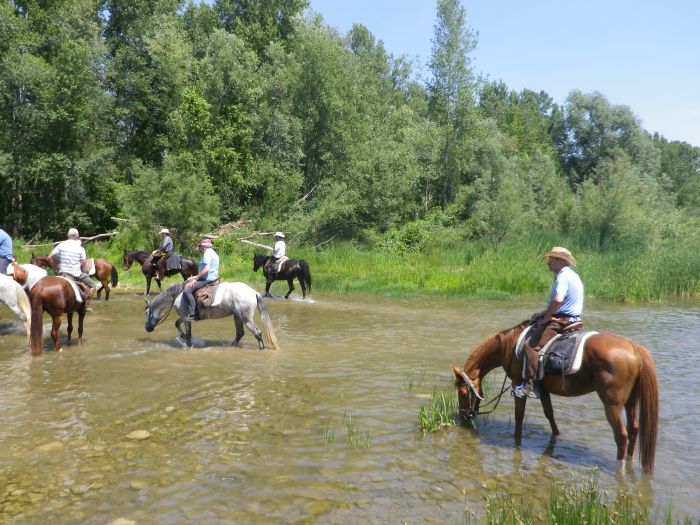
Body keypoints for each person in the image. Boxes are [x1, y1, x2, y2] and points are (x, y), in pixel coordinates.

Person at [513, 246, 584, 400]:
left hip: (561, 321)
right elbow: (565, 302)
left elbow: (558, 299)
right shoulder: (573, 275)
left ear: (559, 260)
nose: (548, 263)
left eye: (551, 259)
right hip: (574, 318)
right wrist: (543, 313)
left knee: (530, 347)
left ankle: (531, 385)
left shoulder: (563, 276)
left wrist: (547, 317)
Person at [49, 228, 97, 299]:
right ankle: (86, 305)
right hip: (76, 274)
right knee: (93, 285)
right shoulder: (80, 248)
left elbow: (50, 257)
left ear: (68, 236)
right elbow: (83, 263)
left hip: (63, 273)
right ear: (77, 236)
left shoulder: (61, 245)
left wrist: (56, 267)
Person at [182, 238, 219, 322]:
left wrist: (196, 279)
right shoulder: (214, 253)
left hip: (207, 278)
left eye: (200, 247)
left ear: (203, 246)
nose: (200, 249)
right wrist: (194, 277)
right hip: (214, 277)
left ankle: (193, 313)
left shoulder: (207, 254)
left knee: (187, 290)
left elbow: (206, 270)